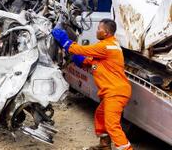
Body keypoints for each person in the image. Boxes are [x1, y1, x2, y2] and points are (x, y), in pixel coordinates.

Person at [52, 19, 133, 150]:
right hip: (113, 92)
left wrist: (64, 40)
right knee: (100, 115)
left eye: (98, 29)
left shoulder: (105, 46)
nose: (96, 31)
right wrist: (78, 59)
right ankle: (104, 145)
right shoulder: (108, 45)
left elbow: (79, 49)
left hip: (115, 92)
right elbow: (91, 61)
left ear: (106, 32)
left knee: (112, 125)